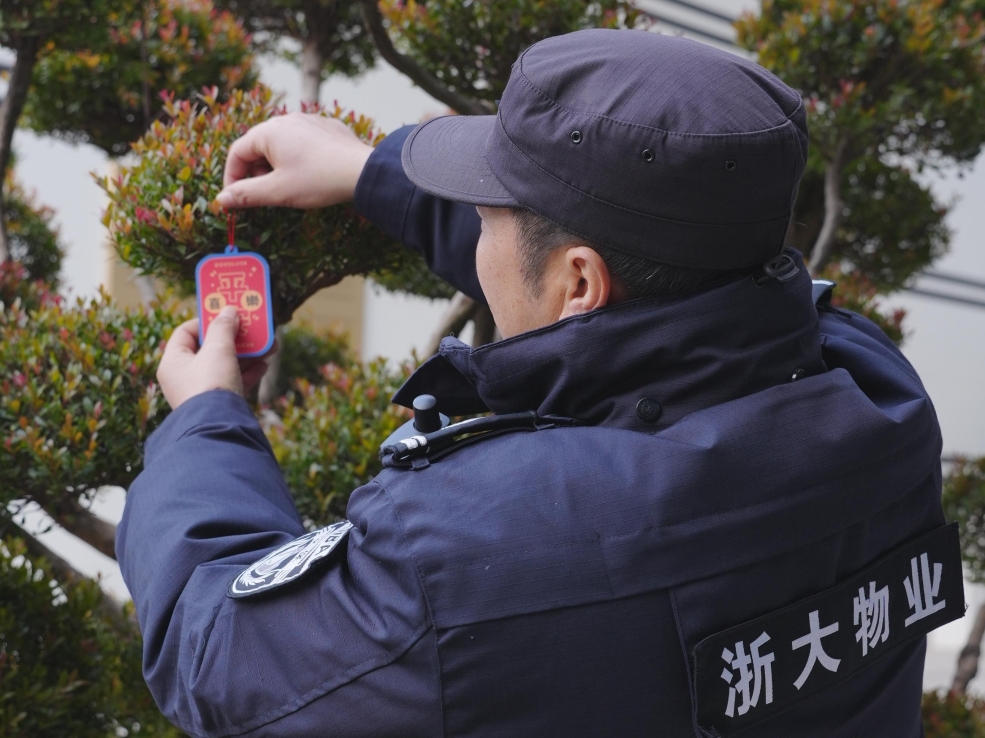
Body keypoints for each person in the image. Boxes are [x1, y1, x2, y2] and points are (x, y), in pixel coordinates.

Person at [118, 29, 961, 738]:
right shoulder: (872, 386)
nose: (480, 237)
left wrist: (206, 421)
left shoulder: (468, 549)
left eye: (488, 215)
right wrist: (371, 171)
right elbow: (624, 290)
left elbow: (219, 657)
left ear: (579, 280)